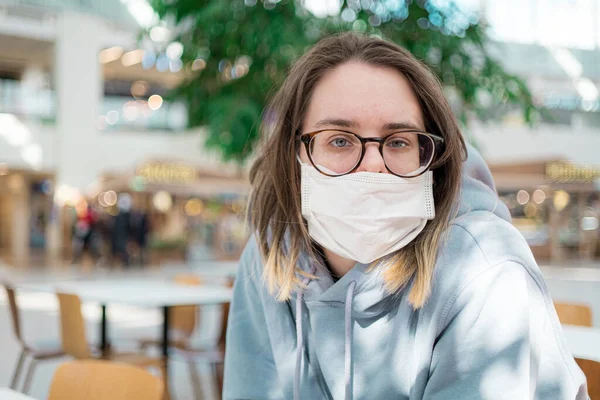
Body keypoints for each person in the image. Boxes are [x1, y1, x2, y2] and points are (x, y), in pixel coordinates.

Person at [223, 32, 587, 399]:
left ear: (430, 158)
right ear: (296, 153)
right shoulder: (267, 260)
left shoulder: (486, 268)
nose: (373, 165)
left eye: (398, 142)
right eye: (339, 139)